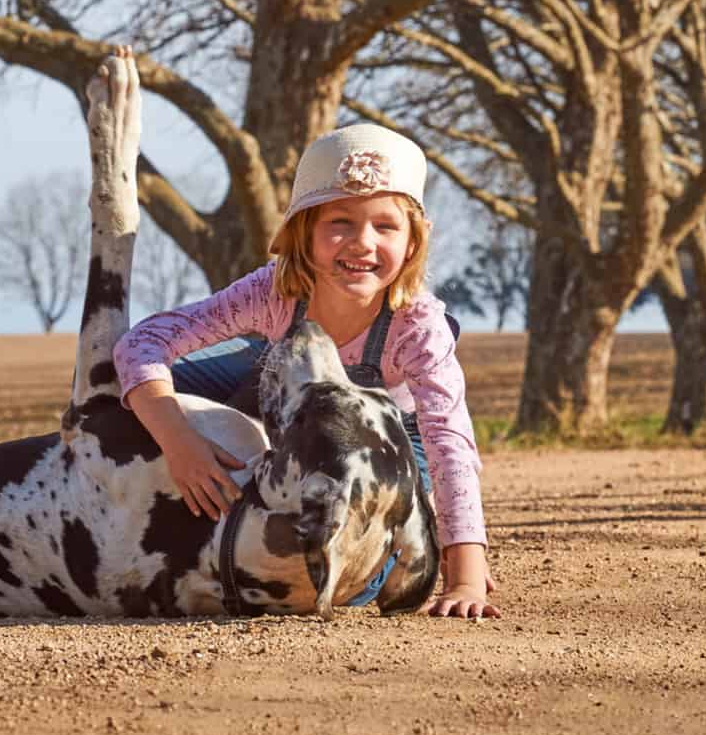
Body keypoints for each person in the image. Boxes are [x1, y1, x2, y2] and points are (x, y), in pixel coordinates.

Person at [114, 124, 498, 619]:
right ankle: (140, 508)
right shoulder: (273, 291)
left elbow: (448, 439)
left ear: (411, 244)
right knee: (128, 386)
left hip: (394, 434)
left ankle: (416, 524)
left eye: (385, 226)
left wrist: (465, 571)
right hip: (290, 392)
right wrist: (178, 439)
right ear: (305, 233)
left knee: (373, 545)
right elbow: (142, 342)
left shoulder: (419, 325)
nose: (362, 243)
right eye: (340, 222)